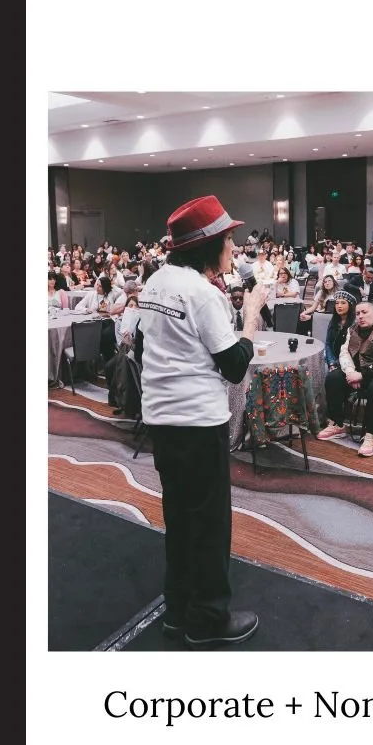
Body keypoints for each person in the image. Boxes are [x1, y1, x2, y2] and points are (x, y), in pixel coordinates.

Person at [138, 195, 273, 646]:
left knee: (180, 518)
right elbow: (234, 365)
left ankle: (177, 610)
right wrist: (251, 317)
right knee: (211, 524)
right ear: (209, 245)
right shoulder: (203, 294)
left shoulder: (157, 281)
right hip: (198, 422)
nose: (235, 249)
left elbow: (149, 346)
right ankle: (208, 619)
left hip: (161, 417)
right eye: (230, 240)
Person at [316, 298, 373, 457]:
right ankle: (337, 424)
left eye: (364, 312)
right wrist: (351, 372)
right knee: (333, 378)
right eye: (357, 313)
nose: (360, 316)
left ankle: (371, 435)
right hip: (360, 373)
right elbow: (344, 353)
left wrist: (361, 375)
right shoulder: (353, 329)